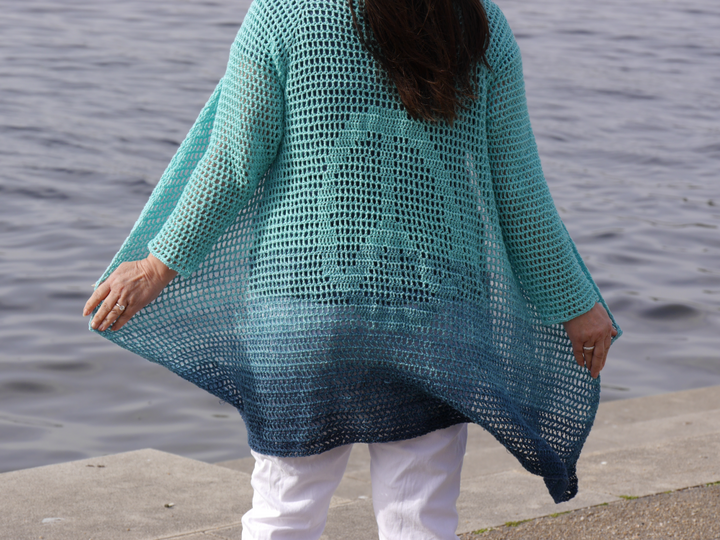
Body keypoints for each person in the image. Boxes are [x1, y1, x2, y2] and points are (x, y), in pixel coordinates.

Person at [83, 0, 620, 538]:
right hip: (434, 313)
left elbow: (232, 161)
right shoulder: (473, 18)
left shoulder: (283, 13)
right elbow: (518, 189)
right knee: (420, 515)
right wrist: (577, 304)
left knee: (284, 510)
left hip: (302, 306)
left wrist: (156, 266)